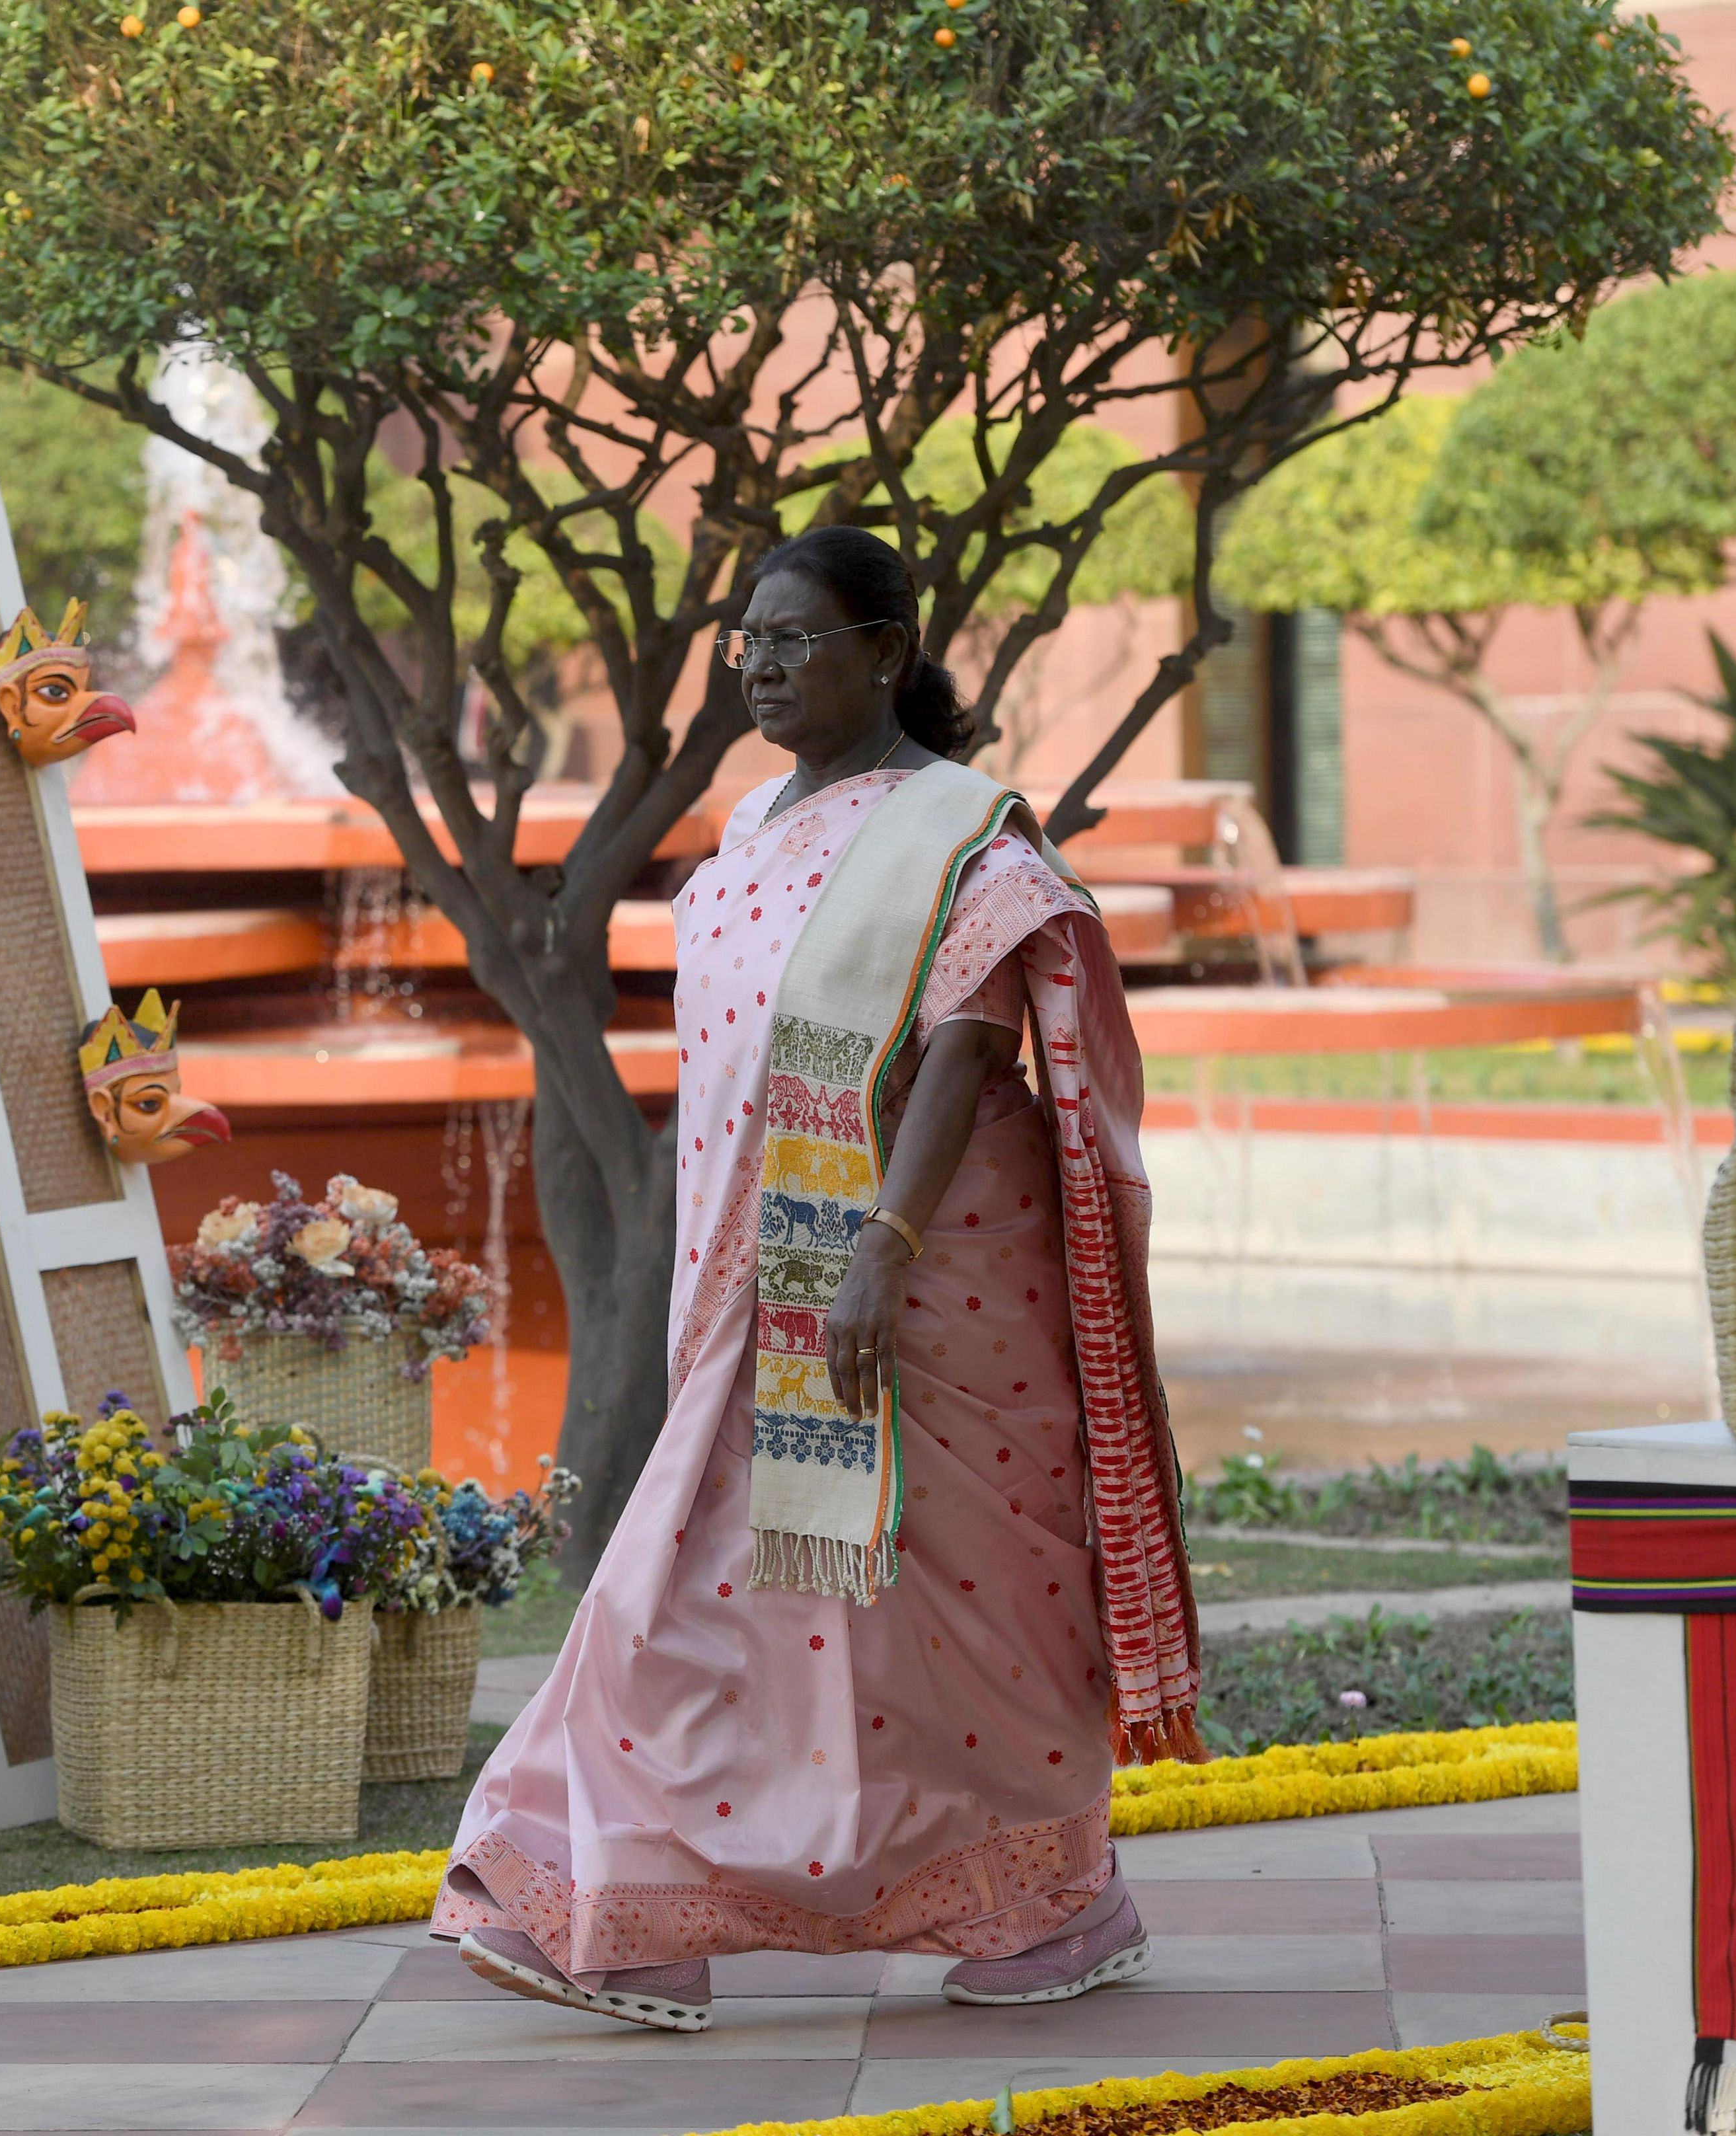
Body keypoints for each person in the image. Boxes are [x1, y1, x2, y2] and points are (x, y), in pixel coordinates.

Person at [434, 524, 1204, 2026]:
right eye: (748, 641)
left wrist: (876, 1254)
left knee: (935, 1615)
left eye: (794, 639)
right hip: (765, 1271)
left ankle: (1042, 1897)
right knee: (745, 1601)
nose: (761, 666)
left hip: (918, 1285)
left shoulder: (960, 837)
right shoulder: (754, 824)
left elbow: (965, 1052)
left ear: (887, 652)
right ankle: (633, 1898)